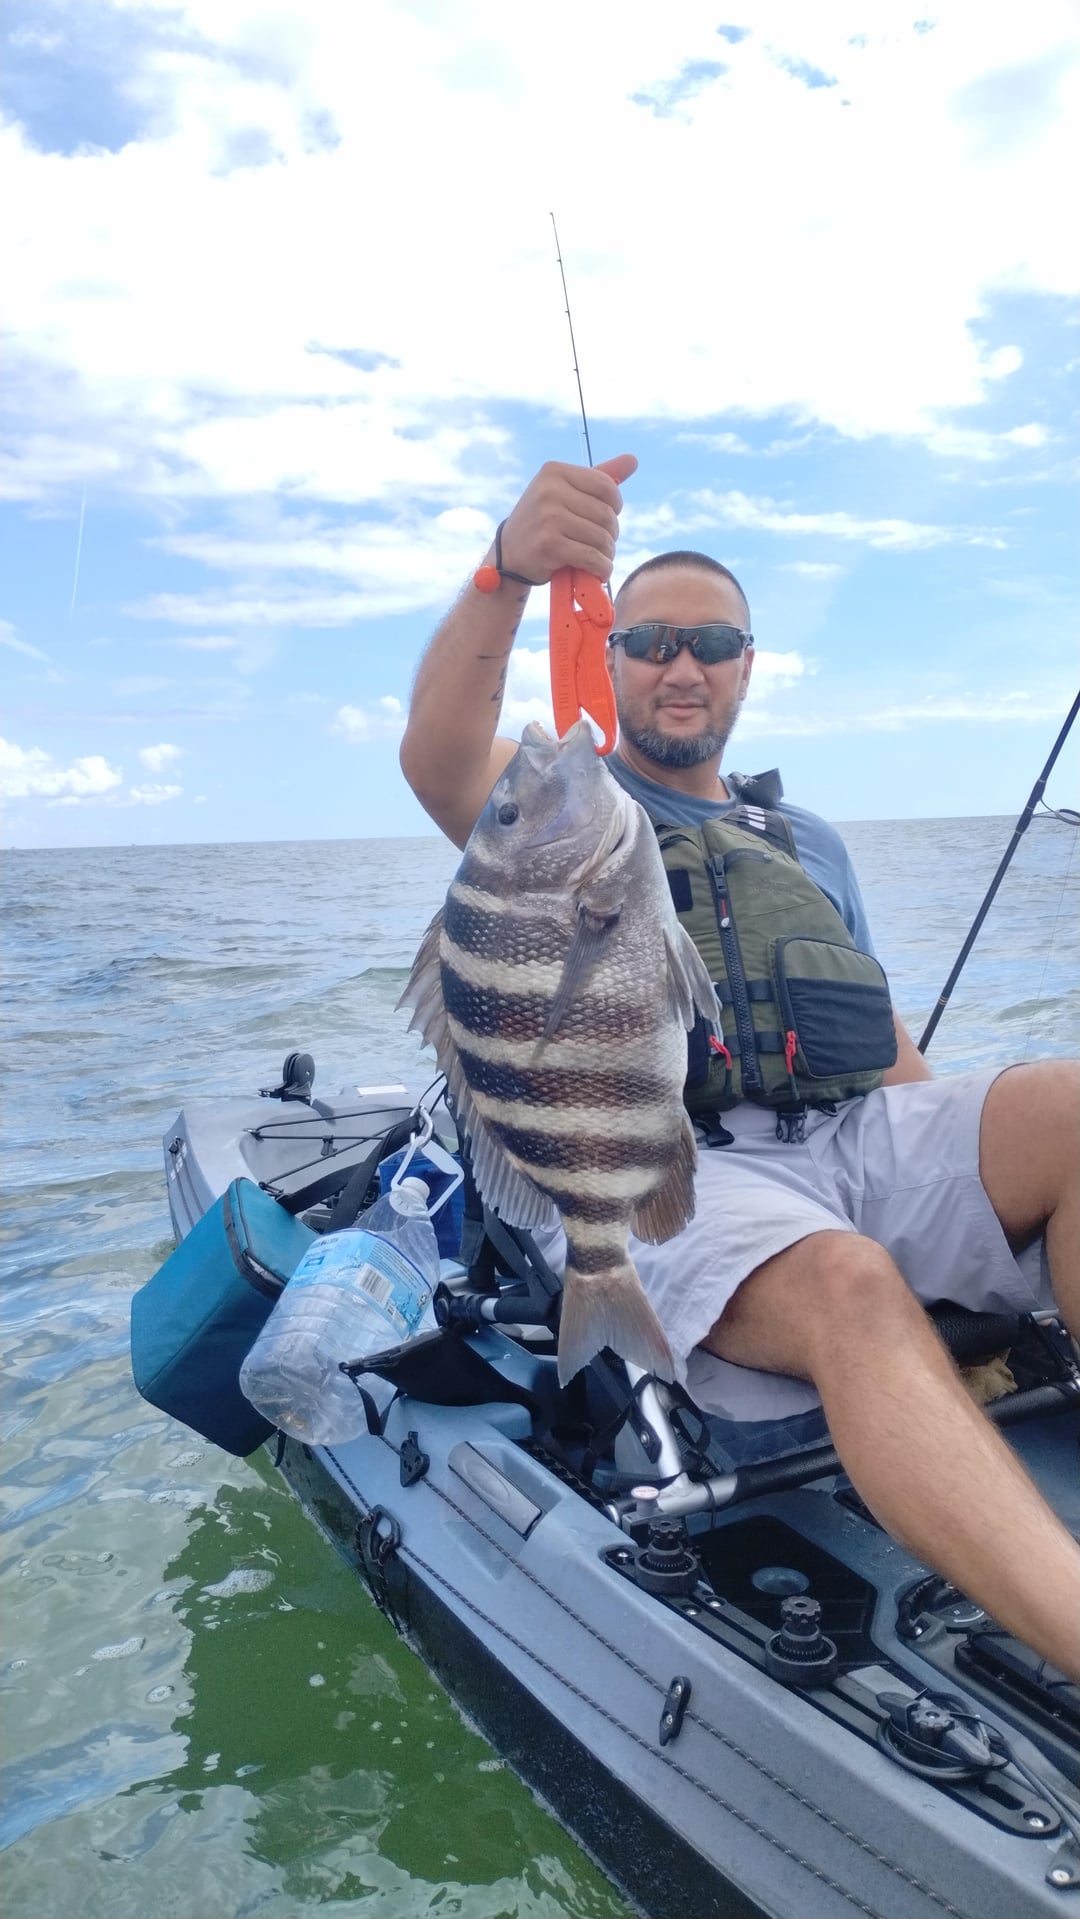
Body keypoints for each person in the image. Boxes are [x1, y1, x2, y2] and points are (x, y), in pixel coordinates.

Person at [399, 453, 1080, 1680]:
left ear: (747, 666)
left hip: (843, 1138)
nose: (682, 664)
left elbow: (878, 1040)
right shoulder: (563, 815)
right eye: (651, 640)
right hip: (665, 1161)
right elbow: (439, 754)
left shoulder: (806, 840)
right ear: (612, 660)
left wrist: (968, 1204)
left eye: (711, 643)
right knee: (849, 1279)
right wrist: (508, 568)